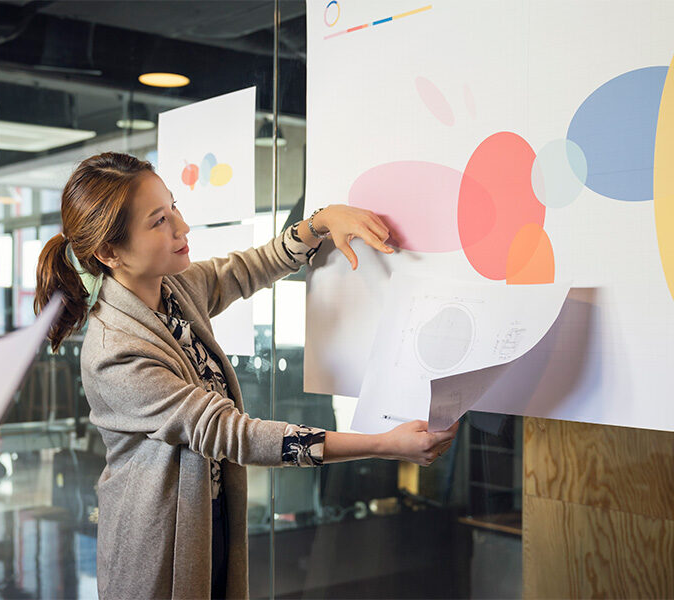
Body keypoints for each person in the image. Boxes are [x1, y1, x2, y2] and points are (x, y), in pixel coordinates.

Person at [34, 152, 458, 599]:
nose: (182, 227)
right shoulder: (113, 350)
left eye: (173, 206)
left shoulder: (173, 290)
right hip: (156, 543)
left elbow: (242, 270)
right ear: (108, 252)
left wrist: (319, 224)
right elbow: (232, 434)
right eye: (158, 221)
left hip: (207, 517)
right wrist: (382, 445)